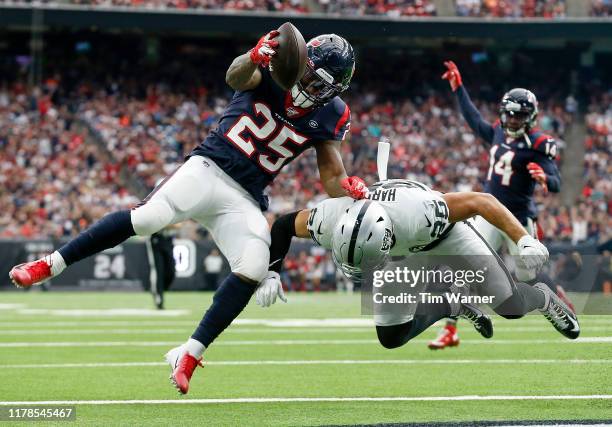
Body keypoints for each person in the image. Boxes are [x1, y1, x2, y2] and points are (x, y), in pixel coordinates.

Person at [9, 31, 367, 395]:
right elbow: (236, 76)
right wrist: (253, 56)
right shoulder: (273, 69)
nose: (307, 84)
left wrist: (349, 186)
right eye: (307, 72)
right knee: (147, 219)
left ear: (333, 90)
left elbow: (333, 176)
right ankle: (50, 264)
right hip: (208, 168)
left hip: (244, 196)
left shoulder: (332, 115)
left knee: (255, 265)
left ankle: (189, 353)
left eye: (319, 82)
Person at [255, 179, 580, 349]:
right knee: (391, 337)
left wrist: (523, 238)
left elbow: (483, 201)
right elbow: (283, 225)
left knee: (510, 306)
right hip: (397, 248)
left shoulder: (423, 214)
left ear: (383, 244)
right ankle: (453, 303)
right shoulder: (329, 218)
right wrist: (272, 272)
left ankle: (544, 298)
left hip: (444, 237)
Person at [430, 60, 572, 349]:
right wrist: (459, 90)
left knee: (527, 276)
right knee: (465, 266)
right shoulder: (497, 131)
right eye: (508, 115)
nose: (511, 121)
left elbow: (555, 179)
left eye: (518, 117)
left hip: (518, 219)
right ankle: (450, 330)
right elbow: (475, 121)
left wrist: (546, 178)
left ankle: (555, 297)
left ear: (531, 118)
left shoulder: (539, 143)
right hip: (488, 213)